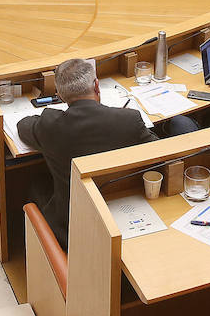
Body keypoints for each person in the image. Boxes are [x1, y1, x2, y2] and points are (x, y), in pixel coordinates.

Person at [17, 57, 160, 248]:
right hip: (127, 210)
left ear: (59, 95)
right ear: (97, 86)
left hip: (72, 225)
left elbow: (22, 126)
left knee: (36, 183)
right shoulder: (129, 120)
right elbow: (160, 151)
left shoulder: (50, 124)